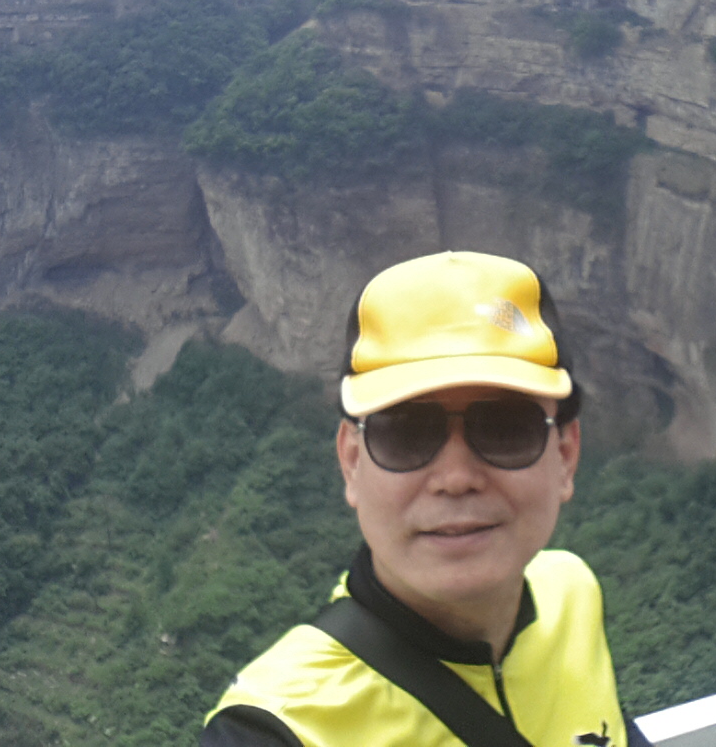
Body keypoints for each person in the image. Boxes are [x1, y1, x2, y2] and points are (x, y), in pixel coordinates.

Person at [200, 251, 650, 747]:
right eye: (405, 432)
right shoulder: (274, 729)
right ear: (351, 462)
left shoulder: (572, 593)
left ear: (565, 455)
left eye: (506, 427)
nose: (455, 478)